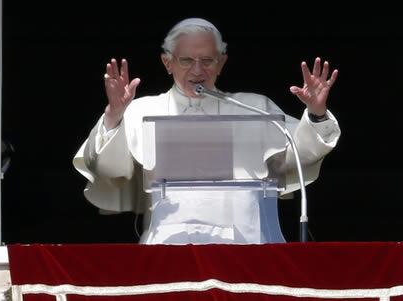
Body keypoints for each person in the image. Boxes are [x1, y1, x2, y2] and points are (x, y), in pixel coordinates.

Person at [73, 18, 340, 244]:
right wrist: (114, 115)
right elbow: (106, 169)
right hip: (171, 247)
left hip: (246, 245)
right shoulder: (142, 111)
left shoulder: (254, 108)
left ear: (221, 62)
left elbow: (301, 155)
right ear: (167, 63)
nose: (198, 70)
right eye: (187, 60)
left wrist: (316, 114)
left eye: (207, 60)